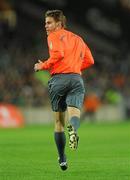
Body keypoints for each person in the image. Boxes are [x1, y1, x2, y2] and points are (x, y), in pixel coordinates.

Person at [34, 9, 94, 171]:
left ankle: (62, 158)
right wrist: (74, 66)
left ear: (58, 24)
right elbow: (90, 60)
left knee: (59, 123)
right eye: (45, 22)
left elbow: (58, 54)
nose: (45, 25)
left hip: (59, 80)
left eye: (49, 22)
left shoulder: (53, 36)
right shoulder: (78, 38)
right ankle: (73, 129)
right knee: (74, 114)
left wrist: (42, 65)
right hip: (76, 79)